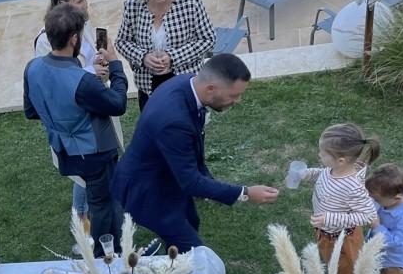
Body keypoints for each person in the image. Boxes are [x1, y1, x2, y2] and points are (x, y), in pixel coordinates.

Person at [111, 54, 278, 252]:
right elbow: (191, 182)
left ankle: (172, 266)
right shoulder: (174, 121)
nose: (238, 101)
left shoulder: (188, 83)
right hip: (147, 190)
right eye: (233, 95)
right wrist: (246, 193)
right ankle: (174, 273)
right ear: (211, 89)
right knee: (194, 254)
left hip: (167, 175)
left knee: (191, 220)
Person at [23, 2, 129, 256]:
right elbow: (118, 104)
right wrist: (115, 66)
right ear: (73, 39)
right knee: (102, 204)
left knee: (103, 199)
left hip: (64, 150)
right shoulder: (83, 81)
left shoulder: (32, 68)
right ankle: (106, 257)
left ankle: (111, 246)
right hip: (94, 152)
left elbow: (31, 111)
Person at [32, 0, 112, 249]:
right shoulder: (45, 41)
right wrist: (92, 73)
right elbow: (56, 80)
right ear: (61, 5)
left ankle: (96, 220)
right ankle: (82, 228)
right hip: (74, 123)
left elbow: (86, 63)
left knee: (97, 173)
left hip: (96, 111)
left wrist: (102, 62)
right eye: (78, 1)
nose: (85, 5)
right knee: (83, 178)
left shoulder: (86, 26)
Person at [294, 124, 381, 274]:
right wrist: (306, 174)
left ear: (341, 160)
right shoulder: (335, 170)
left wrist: (330, 219)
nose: (319, 155)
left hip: (342, 239)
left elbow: (370, 217)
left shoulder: (352, 185)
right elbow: (324, 174)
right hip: (328, 233)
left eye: (323, 153)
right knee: (338, 271)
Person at [115, 0, 217, 110]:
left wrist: (173, 57)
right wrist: (143, 57)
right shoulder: (133, 6)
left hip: (186, 82)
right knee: (154, 130)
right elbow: (122, 42)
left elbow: (208, 38)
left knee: (187, 130)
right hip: (148, 84)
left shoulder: (190, 1)